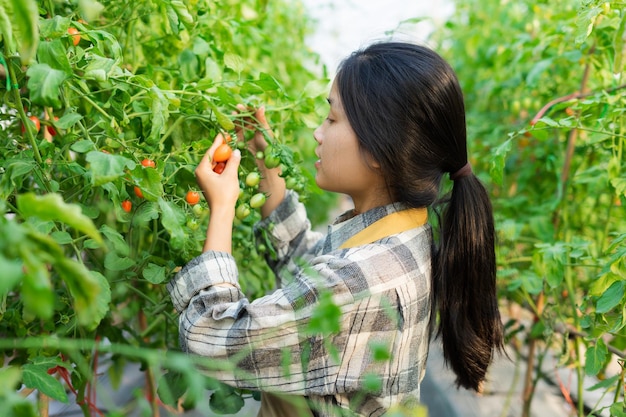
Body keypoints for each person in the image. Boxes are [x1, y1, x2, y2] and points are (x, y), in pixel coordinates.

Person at [167, 41, 504, 417]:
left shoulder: (362, 282)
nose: (318, 133)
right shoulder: (405, 237)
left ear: (379, 149)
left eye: (332, 119)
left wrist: (223, 208)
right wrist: (268, 173)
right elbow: (312, 271)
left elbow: (208, 340)